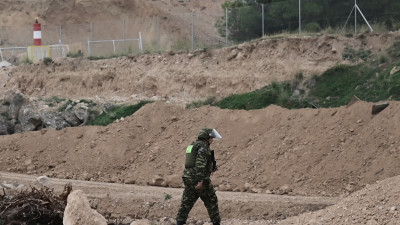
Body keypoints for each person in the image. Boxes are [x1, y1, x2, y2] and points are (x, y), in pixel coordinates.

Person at [176, 128, 222, 225]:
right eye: (211, 138)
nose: (212, 140)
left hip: (188, 177)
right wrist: (200, 180)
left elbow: (191, 162)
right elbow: (200, 163)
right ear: (206, 138)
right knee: (211, 201)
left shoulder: (192, 146)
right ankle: (216, 223)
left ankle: (179, 222)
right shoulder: (203, 147)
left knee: (186, 202)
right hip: (199, 178)